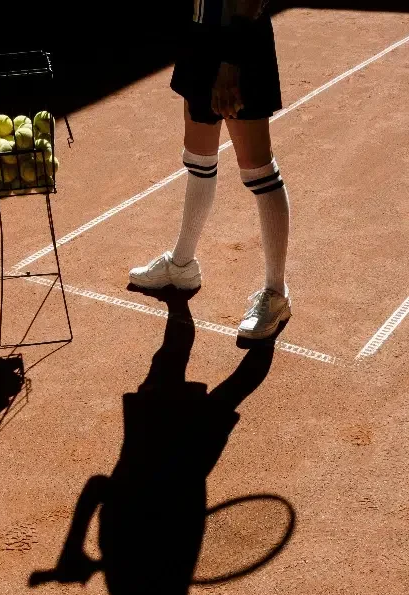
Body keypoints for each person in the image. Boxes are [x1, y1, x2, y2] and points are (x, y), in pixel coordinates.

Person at [129, 0, 291, 342]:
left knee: (257, 170)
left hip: (237, 40)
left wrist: (231, 63)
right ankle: (182, 265)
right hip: (201, 34)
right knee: (198, 158)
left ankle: (276, 292)